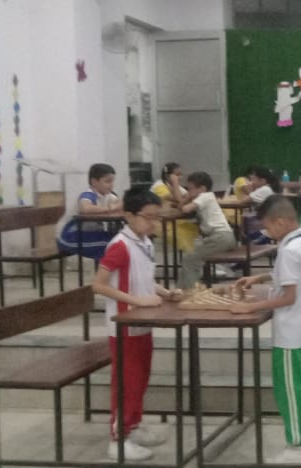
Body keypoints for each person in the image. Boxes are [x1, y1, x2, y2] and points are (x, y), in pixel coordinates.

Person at [232, 196, 301, 464]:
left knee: (291, 390)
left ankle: (296, 447)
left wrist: (250, 307)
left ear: (282, 222)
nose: (266, 233)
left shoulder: (288, 250)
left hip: (290, 334)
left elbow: (288, 296)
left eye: (267, 227)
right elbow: (292, 276)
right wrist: (260, 277)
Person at [92, 187, 183, 461]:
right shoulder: (120, 246)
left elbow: (143, 277)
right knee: (126, 382)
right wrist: (137, 300)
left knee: (140, 379)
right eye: (148, 217)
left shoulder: (145, 242)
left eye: (156, 217)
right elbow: (98, 285)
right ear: (129, 215)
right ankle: (118, 439)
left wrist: (165, 292)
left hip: (143, 323)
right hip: (124, 326)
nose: (153, 223)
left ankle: (133, 425)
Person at [177, 172, 238, 289]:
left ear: (202, 189)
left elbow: (185, 209)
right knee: (190, 255)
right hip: (223, 237)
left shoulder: (205, 196)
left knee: (190, 259)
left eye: (190, 189)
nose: (188, 192)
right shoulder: (207, 197)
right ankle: (181, 290)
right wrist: (188, 197)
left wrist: (186, 198)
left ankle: (189, 292)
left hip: (221, 238)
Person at [57, 163, 123, 259]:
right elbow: (85, 208)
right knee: (112, 244)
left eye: (113, 181)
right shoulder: (88, 194)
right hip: (71, 237)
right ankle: (104, 268)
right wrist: (112, 207)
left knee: (118, 240)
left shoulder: (109, 196)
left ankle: (106, 267)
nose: (112, 185)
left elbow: (119, 207)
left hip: (91, 235)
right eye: (108, 181)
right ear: (94, 182)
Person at [150, 162, 199, 253]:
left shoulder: (174, 186)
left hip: (172, 218)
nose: (180, 177)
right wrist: (175, 183)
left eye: (181, 175)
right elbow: (179, 200)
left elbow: (187, 198)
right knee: (181, 234)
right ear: (167, 176)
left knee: (195, 228)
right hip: (159, 221)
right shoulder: (159, 187)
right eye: (177, 175)